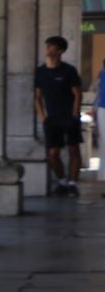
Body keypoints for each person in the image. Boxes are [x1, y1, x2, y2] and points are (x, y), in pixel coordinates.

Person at [35, 35, 84, 196]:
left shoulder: (69, 70)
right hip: (52, 118)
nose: (47, 49)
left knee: (73, 149)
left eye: (51, 47)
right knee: (53, 154)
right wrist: (42, 116)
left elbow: (77, 93)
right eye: (47, 46)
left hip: (69, 115)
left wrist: (75, 113)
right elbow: (37, 96)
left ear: (60, 51)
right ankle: (62, 181)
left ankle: (72, 183)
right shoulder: (40, 71)